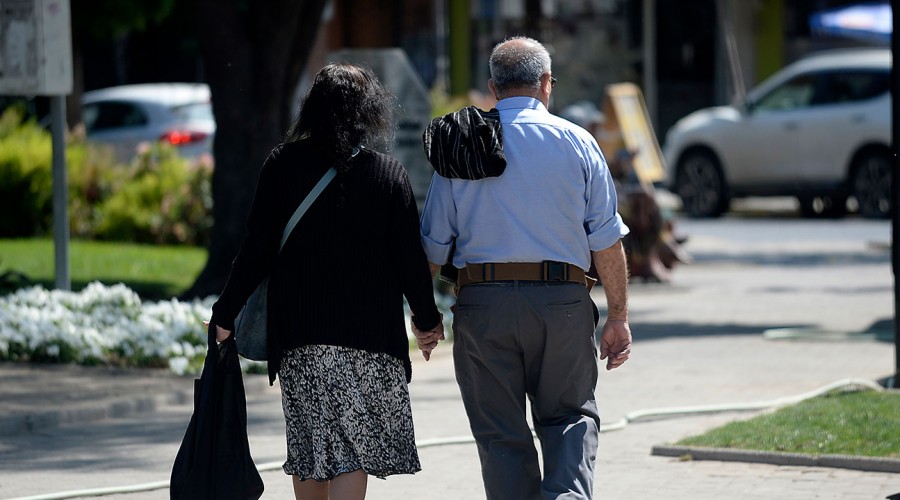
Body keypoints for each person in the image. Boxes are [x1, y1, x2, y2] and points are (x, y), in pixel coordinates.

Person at [208, 63, 444, 500]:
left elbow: (256, 249)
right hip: (368, 339)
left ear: (312, 109)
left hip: (301, 336)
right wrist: (427, 323)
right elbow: (410, 262)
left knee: (310, 447)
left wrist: (225, 313)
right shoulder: (388, 175)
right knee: (351, 452)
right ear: (366, 112)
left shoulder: (282, 165)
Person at [415, 37, 632, 499]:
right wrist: (618, 316)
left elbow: (432, 248)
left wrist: (424, 319)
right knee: (569, 419)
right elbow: (606, 242)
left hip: (483, 306)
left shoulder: (462, 143)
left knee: (501, 436)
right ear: (546, 84)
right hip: (563, 303)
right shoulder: (578, 142)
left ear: (492, 88)